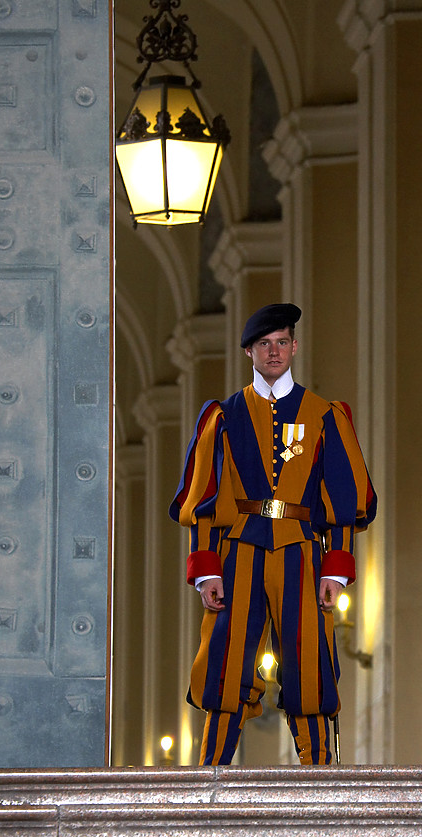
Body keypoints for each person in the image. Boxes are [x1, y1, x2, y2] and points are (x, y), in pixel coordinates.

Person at [170, 303, 376, 765]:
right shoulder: (222, 416)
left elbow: (342, 498)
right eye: (264, 344)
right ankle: (211, 775)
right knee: (226, 657)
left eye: (282, 342)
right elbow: (204, 497)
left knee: (308, 658)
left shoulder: (325, 415)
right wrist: (205, 571)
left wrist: (336, 570)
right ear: (249, 352)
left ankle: (320, 773)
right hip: (239, 548)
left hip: (301, 550)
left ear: (295, 347)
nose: (274, 351)